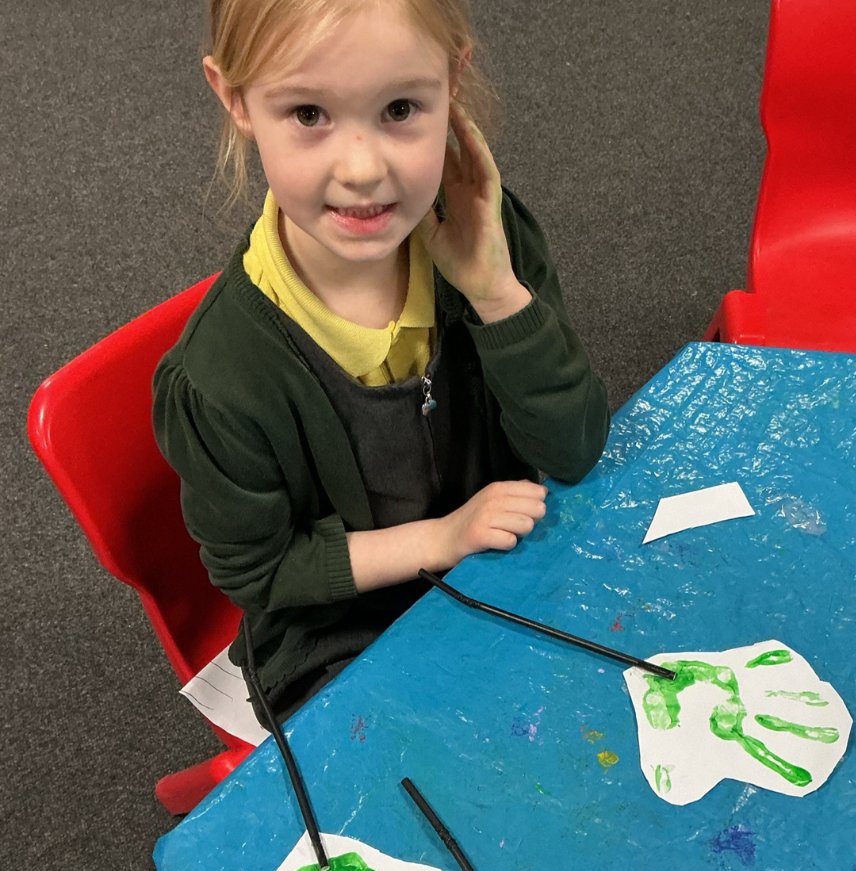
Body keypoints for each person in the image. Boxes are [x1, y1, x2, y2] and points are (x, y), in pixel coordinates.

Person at [153, 0, 610, 716]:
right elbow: (265, 572)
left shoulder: (492, 237)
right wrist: (441, 537)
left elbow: (575, 448)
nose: (363, 170)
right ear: (236, 99)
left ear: (451, 84)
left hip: (501, 570)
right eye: (308, 114)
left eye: (400, 108)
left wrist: (495, 292)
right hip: (338, 636)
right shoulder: (221, 376)